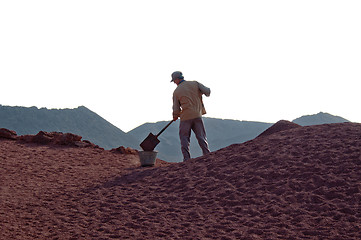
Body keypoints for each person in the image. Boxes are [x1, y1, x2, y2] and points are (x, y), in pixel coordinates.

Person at [171, 71, 211, 161]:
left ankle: (186, 158)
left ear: (177, 79)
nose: (174, 82)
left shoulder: (176, 91)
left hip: (185, 117)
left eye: (174, 80)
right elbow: (208, 91)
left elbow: (176, 107)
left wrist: (175, 116)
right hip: (197, 115)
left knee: (184, 138)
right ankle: (207, 154)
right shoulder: (195, 83)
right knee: (201, 137)